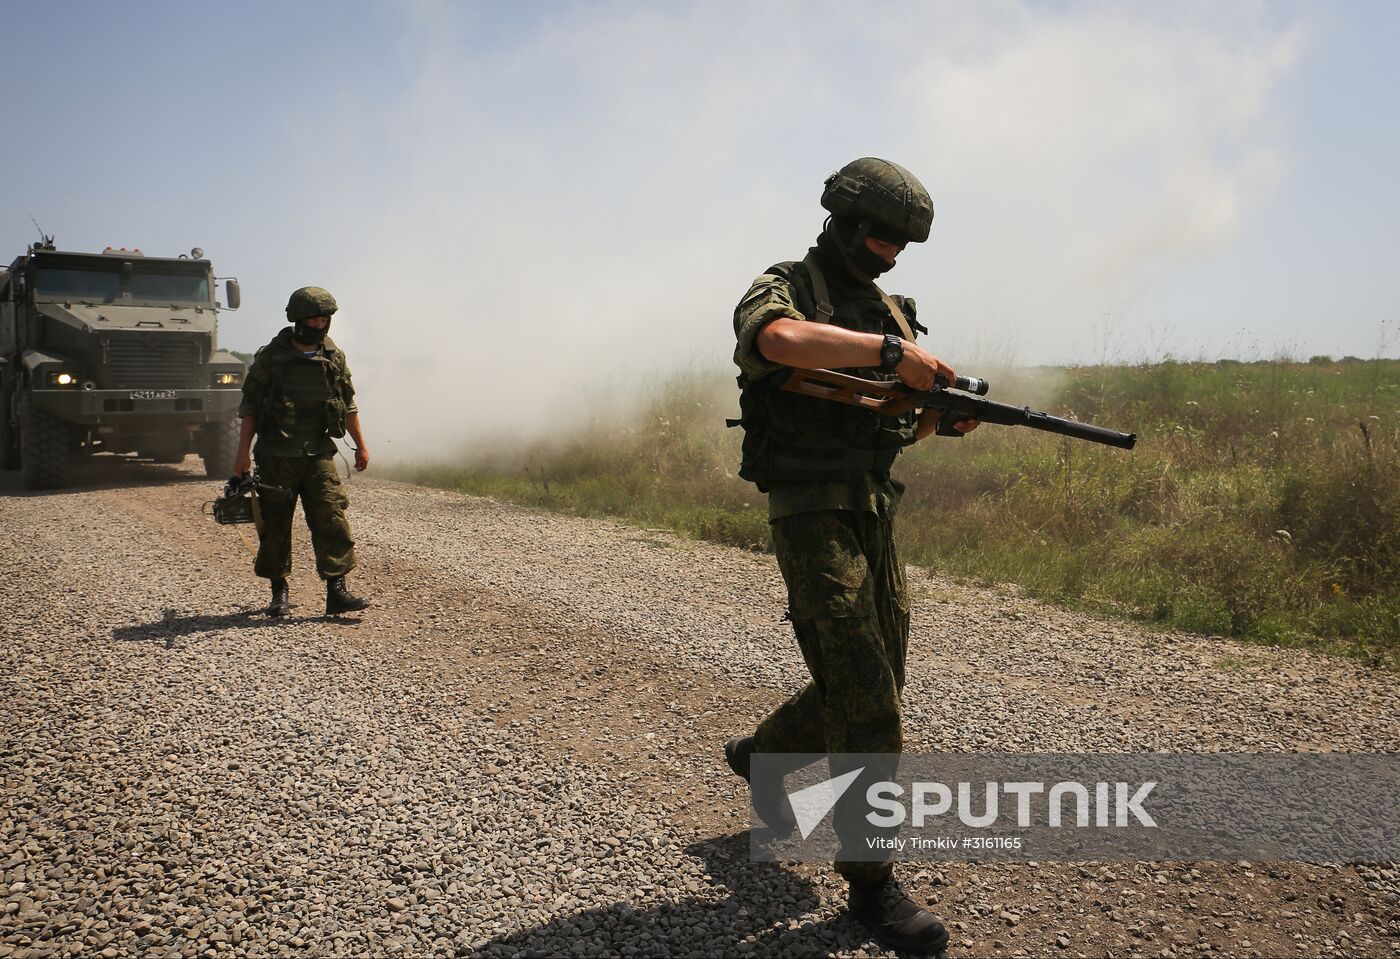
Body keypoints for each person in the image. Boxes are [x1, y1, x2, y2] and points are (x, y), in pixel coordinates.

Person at [725, 157, 977, 955]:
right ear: (839, 217)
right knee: (867, 695)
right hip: (809, 509)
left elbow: (898, 429)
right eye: (878, 235)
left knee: (871, 677)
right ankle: (871, 883)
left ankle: (765, 755)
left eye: (901, 242)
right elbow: (775, 340)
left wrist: (944, 414)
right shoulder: (789, 287)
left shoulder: (895, 315)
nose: (889, 253)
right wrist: (885, 354)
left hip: (873, 510)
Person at [233, 286, 371, 618]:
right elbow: (250, 406)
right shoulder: (271, 357)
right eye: (314, 319)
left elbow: (348, 405)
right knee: (275, 525)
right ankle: (278, 593)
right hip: (276, 454)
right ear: (297, 320)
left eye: (325, 319)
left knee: (332, 519)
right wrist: (242, 455)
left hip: (318, 452)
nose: (320, 325)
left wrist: (361, 446)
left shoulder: (333, 357)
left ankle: (336, 591)